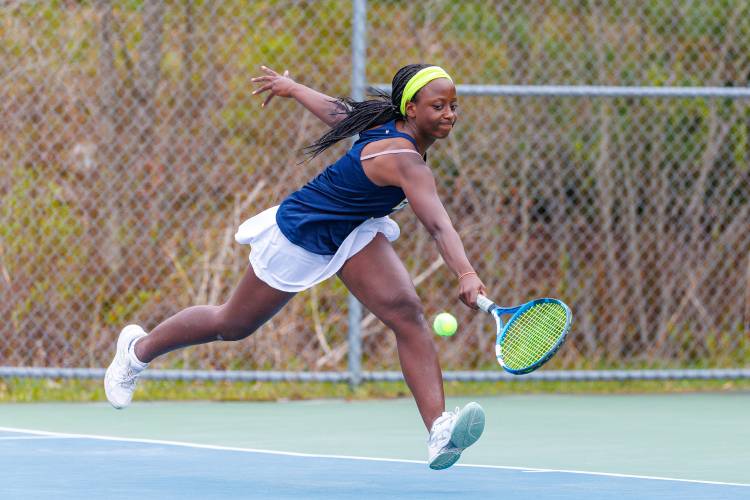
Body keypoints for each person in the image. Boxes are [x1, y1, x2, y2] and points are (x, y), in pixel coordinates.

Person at [104, 63, 487, 470]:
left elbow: (339, 112)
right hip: (303, 232)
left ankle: (438, 430)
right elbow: (437, 224)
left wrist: (292, 87)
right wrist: (466, 273)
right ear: (410, 109)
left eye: (453, 106)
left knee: (407, 313)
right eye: (438, 106)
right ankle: (137, 351)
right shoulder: (406, 162)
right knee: (231, 325)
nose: (449, 114)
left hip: (355, 230)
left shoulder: (387, 124)